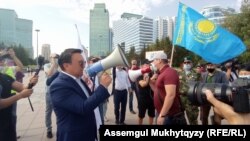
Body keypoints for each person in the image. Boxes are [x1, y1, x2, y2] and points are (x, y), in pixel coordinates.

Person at [50, 48, 112, 141]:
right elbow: (83, 107)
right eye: (81, 63)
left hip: (87, 133)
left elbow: (88, 99)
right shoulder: (59, 86)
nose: (84, 66)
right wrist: (102, 87)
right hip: (74, 136)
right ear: (66, 65)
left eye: (84, 62)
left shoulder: (78, 78)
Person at [149, 52, 186, 125]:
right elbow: (158, 91)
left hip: (170, 116)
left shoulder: (169, 72)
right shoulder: (161, 73)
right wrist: (150, 82)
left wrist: (162, 115)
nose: (153, 63)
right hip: (164, 113)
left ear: (159, 60)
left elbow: (170, 95)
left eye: (154, 60)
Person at [0, 72, 38, 141]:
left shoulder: (4, 76)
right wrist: (20, 95)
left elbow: (22, 88)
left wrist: (31, 83)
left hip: (8, 123)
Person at [179, 56, 199, 125]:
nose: (186, 64)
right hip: (181, 100)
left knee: (193, 120)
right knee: (180, 120)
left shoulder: (196, 74)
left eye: (188, 62)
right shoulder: (179, 73)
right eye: (185, 62)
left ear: (191, 64)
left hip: (191, 100)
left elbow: (199, 86)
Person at [43, 53, 60, 138]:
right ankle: (49, 129)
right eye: (53, 57)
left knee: (59, 111)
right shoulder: (47, 65)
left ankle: (60, 128)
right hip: (49, 92)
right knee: (48, 111)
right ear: (50, 58)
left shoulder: (60, 66)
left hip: (59, 92)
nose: (55, 58)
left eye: (56, 57)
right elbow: (49, 74)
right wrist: (53, 64)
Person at [136, 59, 155, 125]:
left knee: (151, 115)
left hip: (152, 99)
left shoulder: (152, 74)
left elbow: (155, 83)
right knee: (141, 116)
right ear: (142, 67)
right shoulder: (139, 76)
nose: (147, 67)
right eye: (145, 66)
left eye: (148, 66)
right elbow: (143, 84)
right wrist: (150, 79)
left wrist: (150, 78)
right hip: (142, 99)